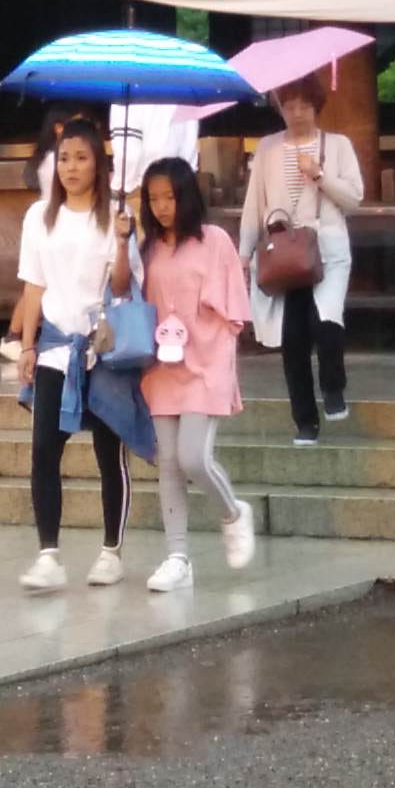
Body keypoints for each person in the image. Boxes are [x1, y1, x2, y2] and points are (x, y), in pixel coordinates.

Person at [5, 118, 142, 591]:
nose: (71, 167)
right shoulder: (39, 216)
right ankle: (49, 553)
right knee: (44, 449)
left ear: (100, 164)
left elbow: (123, 286)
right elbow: (32, 284)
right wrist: (26, 342)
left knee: (109, 452)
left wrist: (124, 242)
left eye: (82, 157)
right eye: (64, 157)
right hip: (55, 349)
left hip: (101, 349)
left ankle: (111, 549)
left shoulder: (112, 217)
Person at [131, 155, 254, 589]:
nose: (162, 206)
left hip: (205, 362)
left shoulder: (215, 240)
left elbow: (234, 313)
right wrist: (118, 242)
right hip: (161, 366)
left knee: (193, 457)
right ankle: (178, 557)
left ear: (186, 196)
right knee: (167, 462)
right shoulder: (145, 248)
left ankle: (233, 511)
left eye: (170, 196)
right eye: (154, 198)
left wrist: (217, 360)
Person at [241, 79, 363, 442]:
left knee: (326, 320)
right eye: (288, 106)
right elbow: (255, 204)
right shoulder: (268, 148)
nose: (296, 113)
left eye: (303, 106)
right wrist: (244, 251)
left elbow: (354, 197)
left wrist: (320, 175)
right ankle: (304, 420)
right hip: (286, 249)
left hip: (327, 246)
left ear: (316, 107)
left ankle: (334, 387)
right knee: (292, 336)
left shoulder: (337, 145)